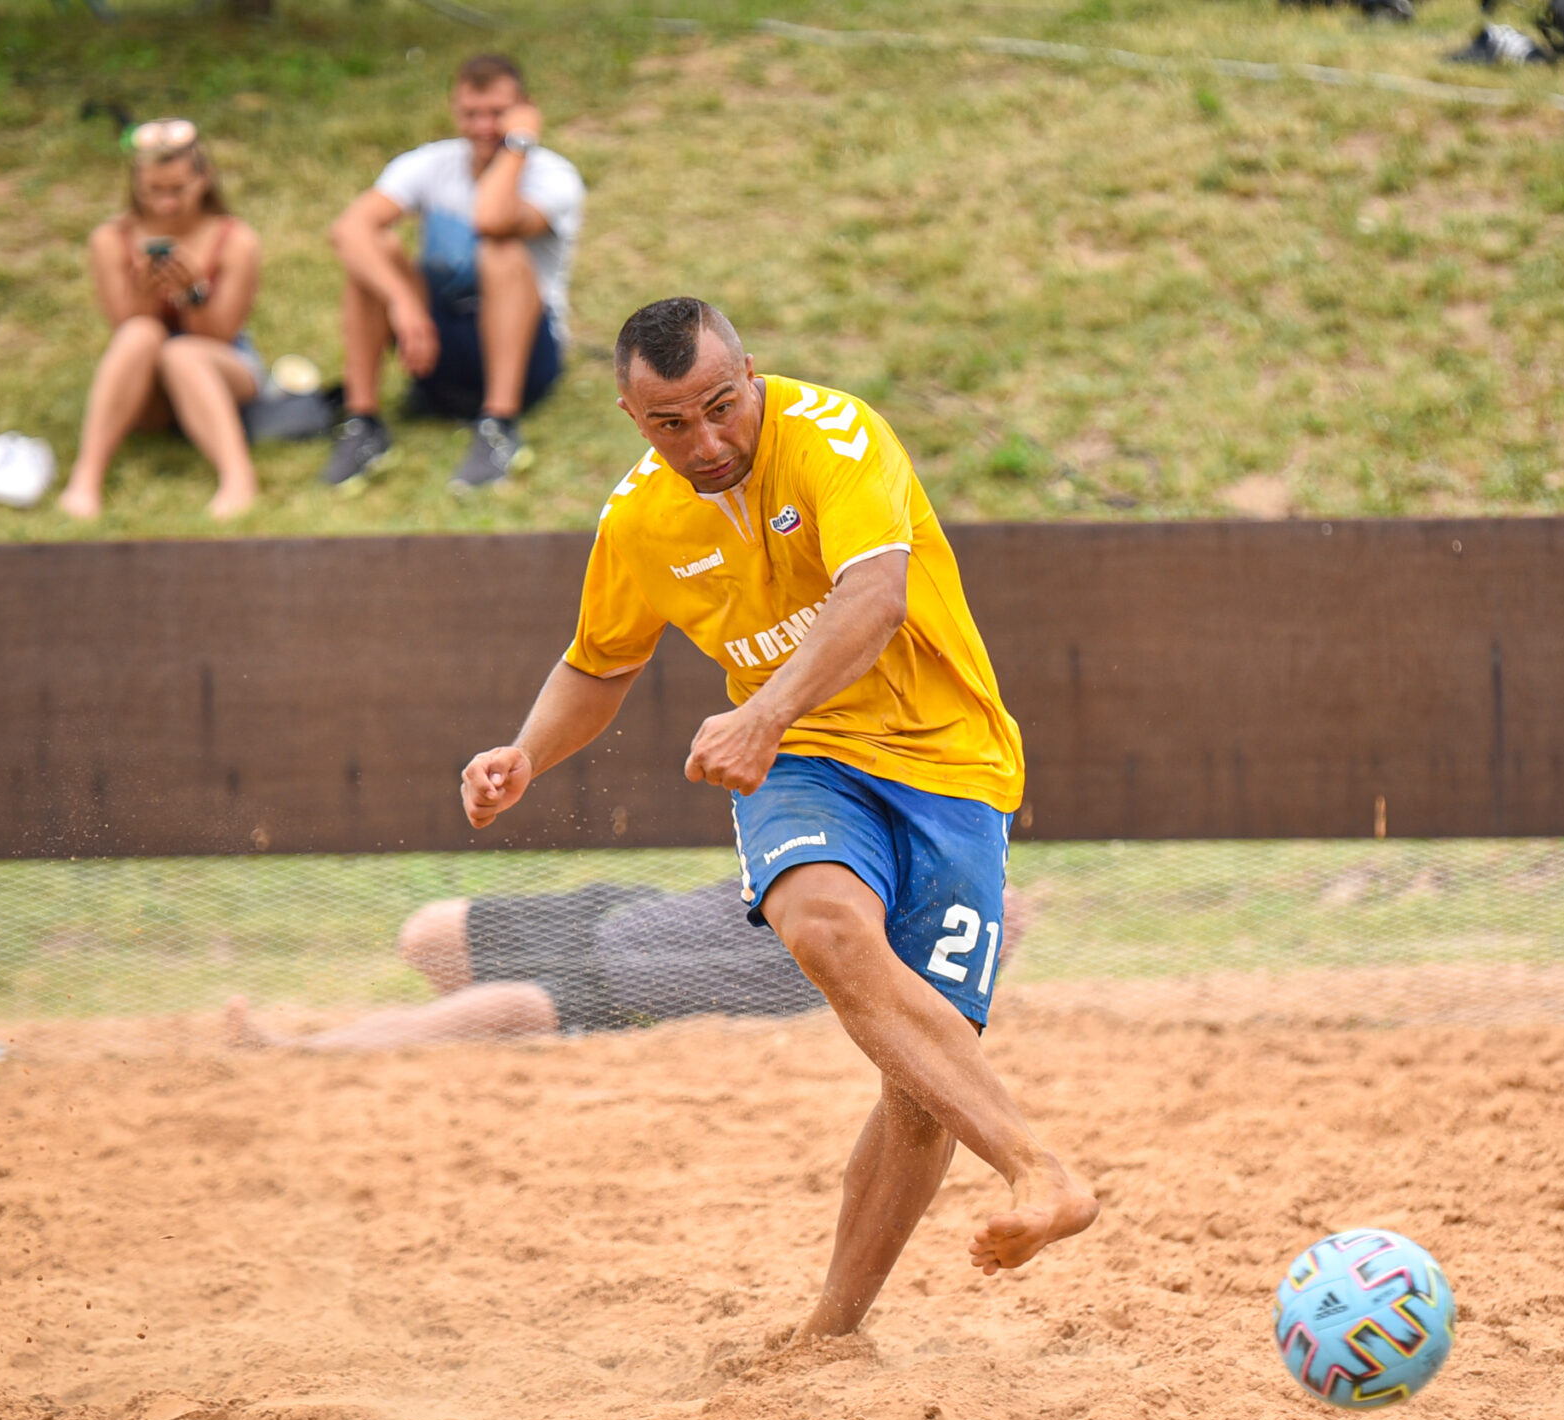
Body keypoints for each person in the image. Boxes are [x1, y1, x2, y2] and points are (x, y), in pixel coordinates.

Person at [458, 296, 1095, 1336]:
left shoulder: (838, 436)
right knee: (824, 926)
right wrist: (526, 752)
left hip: (953, 763)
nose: (707, 442)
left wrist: (759, 711)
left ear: (751, 374)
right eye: (672, 424)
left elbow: (874, 599)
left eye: (723, 406)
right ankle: (1039, 1171)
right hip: (804, 759)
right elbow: (598, 664)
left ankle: (831, 1331)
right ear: (631, 418)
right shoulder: (638, 519)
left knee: (921, 1088)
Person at [226, 879, 1033, 1052]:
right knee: (426, 933)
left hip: (621, 992)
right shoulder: (845, 856)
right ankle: (449, 1045)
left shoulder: (879, 974)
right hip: (617, 917)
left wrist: (980, 935)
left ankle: (301, 1049)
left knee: (503, 1010)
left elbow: (1006, 915)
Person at [322, 53, 585, 495]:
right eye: (470, 113)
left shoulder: (554, 177)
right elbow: (348, 228)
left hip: (527, 356)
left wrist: (517, 145)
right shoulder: (432, 163)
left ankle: (499, 426)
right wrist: (402, 303)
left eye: (498, 113)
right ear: (454, 110)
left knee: (500, 251)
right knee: (375, 252)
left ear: (525, 111)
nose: (483, 126)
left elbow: (491, 219)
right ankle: (362, 423)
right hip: (436, 344)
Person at [58, 119, 264, 522]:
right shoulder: (110, 238)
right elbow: (124, 327)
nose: (166, 203)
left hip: (220, 368)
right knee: (141, 332)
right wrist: (145, 292)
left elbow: (221, 334)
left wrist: (193, 293)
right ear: (135, 184)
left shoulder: (237, 240)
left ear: (204, 179)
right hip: (147, 385)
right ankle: (86, 478)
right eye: (154, 190)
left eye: (177, 189)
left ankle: (239, 478)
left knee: (181, 352)